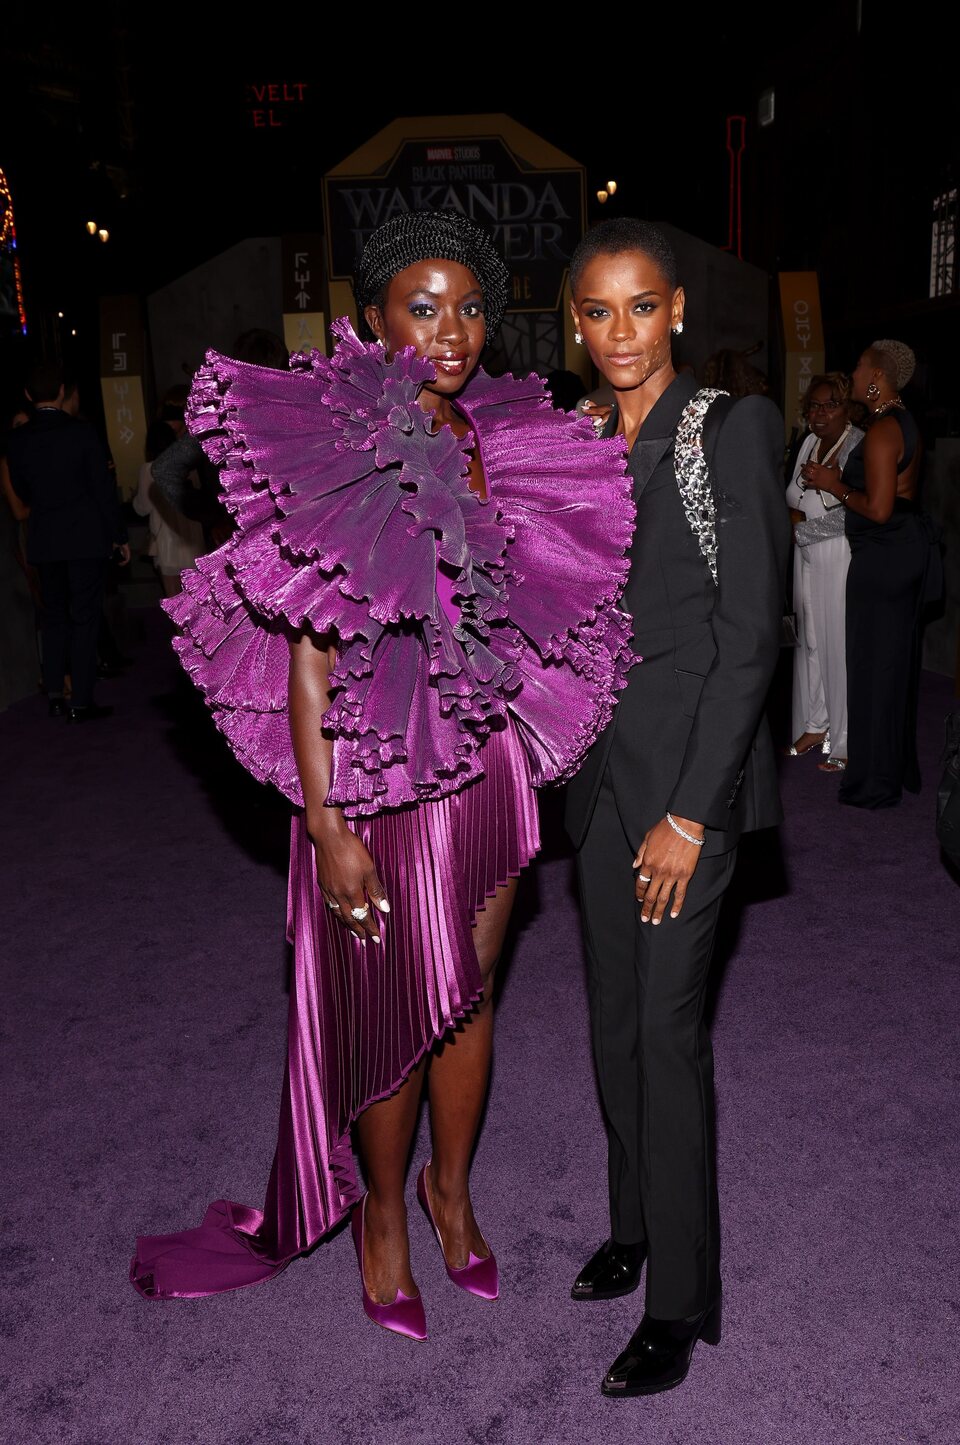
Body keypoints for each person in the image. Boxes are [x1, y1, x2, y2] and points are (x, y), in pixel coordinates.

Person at [129, 210, 636, 1340]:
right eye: (424, 305)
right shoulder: (335, 445)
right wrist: (326, 818)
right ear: (373, 319)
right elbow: (310, 660)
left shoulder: (503, 439)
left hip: (489, 764)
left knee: (468, 995)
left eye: (468, 307)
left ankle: (453, 1196)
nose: (451, 330)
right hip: (373, 776)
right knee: (394, 1006)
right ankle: (384, 1223)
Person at [565, 218, 789, 1397]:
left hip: (686, 784)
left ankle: (683, 1297)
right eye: (596, 311)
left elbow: (753, 636)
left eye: (640, 307)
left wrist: (696, 812)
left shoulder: (729, 428)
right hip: (597, 779)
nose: (619, 334)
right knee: (612, 1021)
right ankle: (634, 1221)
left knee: (666, 1029)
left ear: (680, 310)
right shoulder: (578, 437)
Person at [800, 339, 943, 808]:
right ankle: (892, 768)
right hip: (899, 552)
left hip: (883, 557)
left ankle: (874, 783)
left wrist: (835, 484)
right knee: (891, 666)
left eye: (860, 367)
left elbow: (879, 509)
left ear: (878, 377)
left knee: (872, 668)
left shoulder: (882, 430)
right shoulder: (901, 423)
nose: (855, 374)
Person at [5, 360, 130, 721]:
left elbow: (21, 488)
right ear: (62, 392)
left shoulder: (17, 441)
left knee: (54, 617)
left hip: (44, 538)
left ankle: (56, 693)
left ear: (28, 396)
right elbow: (102, 490)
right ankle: (81, 700)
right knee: (84, 617)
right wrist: (118, 536)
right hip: (84, 538)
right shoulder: (82, 433)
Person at [783, 373, 863, 772]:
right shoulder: (809, 442)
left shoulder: (858, 443)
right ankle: (815, 723)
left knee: (837, 642)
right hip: (806, 551)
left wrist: (800, 530)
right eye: (813, 406)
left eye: (829, 404)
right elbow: (793, 496)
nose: (819, 413)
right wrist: (799, 530)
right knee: (810, 639)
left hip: (840, 553)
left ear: (847, 406)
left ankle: (845, 740)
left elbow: (859, 511)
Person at [133, 418, 206, 598]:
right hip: (193, 540)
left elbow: (142, 508)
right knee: (199, 603)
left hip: (167, 544)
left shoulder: (149, 469)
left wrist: (134, 497)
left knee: (175, 603)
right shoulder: (190, 468)